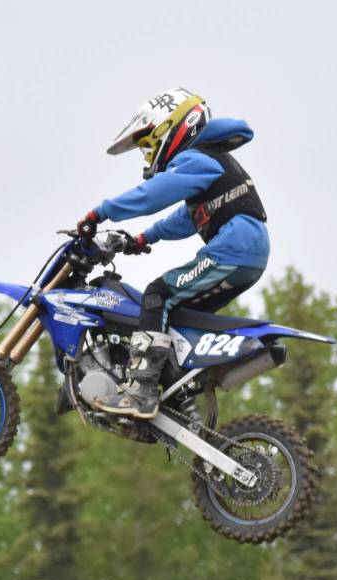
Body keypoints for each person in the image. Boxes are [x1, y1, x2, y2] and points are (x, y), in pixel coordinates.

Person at [77, 87, 270, 419]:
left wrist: (101, 212)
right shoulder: (210, 160)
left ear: (170, 129)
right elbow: (188, 217)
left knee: (157, 296)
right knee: (177, 315)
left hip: (232, 250)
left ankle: (141, 392)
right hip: (248, 254)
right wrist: (144, 238)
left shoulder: (197, 158)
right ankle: (174, 386)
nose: (147, 157)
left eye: (148, 146)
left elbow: (153, 194)